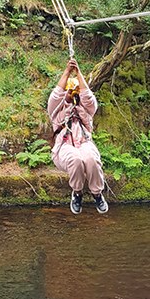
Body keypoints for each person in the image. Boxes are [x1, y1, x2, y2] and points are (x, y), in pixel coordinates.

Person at [47, 58, 108, 215]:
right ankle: (78, 193)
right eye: (69, 90)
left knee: (90, 158)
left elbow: (88, 96)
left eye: (74, 91)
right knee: (75, 159)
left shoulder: (86, 109)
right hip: (64, 146)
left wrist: (78, 73)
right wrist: (67, 71)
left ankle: (97, 193)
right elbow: (56, 95)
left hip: (84, 142)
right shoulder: (56, 110)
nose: (71, 93)